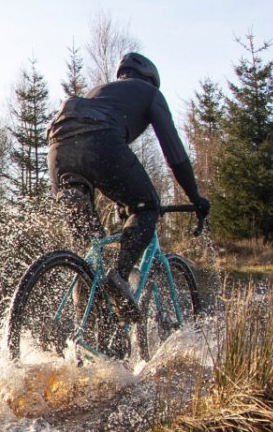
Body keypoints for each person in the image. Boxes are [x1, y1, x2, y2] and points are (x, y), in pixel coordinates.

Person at [46, 52, 209, 316]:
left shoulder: (99, 93)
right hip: (99, 140)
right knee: (146, 206)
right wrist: (195, 197)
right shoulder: (148, 93)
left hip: (57, 149)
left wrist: (120, 198)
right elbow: (175, 154)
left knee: (89, 252)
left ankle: (87, 330)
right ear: (150, 78)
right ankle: (120, 277)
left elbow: (97, 159)